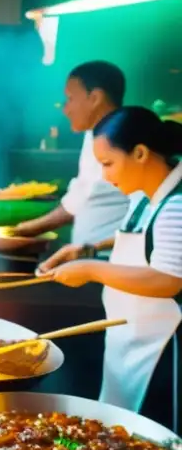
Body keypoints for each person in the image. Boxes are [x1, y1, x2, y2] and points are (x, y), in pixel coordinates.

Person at [39, 107, 182, 430]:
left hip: (159, 345)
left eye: (108, 164)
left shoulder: (176, 205)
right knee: (121, 430)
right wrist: (89, 248)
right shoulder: (145, 195)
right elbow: (143, 236)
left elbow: (167, 280)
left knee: (152, 438)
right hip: (129, 333)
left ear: (141, 153)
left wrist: (91, 269)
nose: (105, 176)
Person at [15, 61, 130, 245]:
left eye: (70, 99)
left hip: (109, 260)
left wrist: (24, 230)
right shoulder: (93, 133)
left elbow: (83, 197)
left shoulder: (119, 135)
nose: (65, 109)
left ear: (95, 98)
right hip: (92, 258)